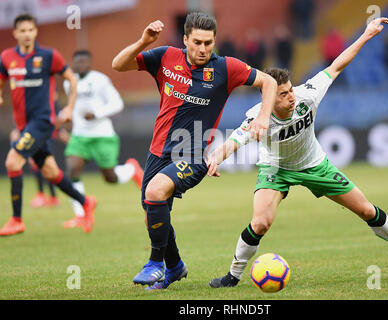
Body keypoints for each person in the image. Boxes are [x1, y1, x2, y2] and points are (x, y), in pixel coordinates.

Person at [207, 17, 388, 288]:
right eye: (282, 94)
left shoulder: (307, 95)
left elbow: (336, 66)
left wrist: (365, 35)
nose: (290, 97)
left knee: (365, 209)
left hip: (315, 164)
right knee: (260, 223)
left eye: (290, 90)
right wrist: (215, 159)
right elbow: (233, 141)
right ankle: (232, 276)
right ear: (268, 98)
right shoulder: (258, 118)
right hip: (276, 170)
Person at [112, 12, 277, 290]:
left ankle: (155, 265)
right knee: (153, 213)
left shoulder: (225, 68)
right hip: (157, 152)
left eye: (208, 43)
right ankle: (175, 266)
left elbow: (269, 82)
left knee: (154, 193)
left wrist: (263, 116)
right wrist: (143, 41)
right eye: (197, 42)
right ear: (185, 39)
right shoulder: (165, 57)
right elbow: (118, 65)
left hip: (192, 156)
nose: (203, 49)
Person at [0, 14, 97, 236]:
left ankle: (16, 220)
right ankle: (86, 202)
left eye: (30, 30)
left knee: (13, 162)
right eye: (22, 30)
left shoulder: (48, 56)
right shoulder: (6, 57)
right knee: (51, 171)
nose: (26, 34)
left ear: (35, 32)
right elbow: (2, 78)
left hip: (43, 121)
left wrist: (69, 108)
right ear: (15, 33)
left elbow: (71, 79)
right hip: (24, 125)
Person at [62, 50, 144, 230]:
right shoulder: (69, 83)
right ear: (73, 63)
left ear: (90, 63)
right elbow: (72, 108)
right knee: (72, 171)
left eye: (85, 61)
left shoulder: (100, 80)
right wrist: (65, 122)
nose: (81, 64)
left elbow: (117, 103)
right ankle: (81, 214)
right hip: (79, 135)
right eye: (78, 61)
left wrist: (97, 114)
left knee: (110, 177)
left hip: (102, 134)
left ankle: (131, 169)